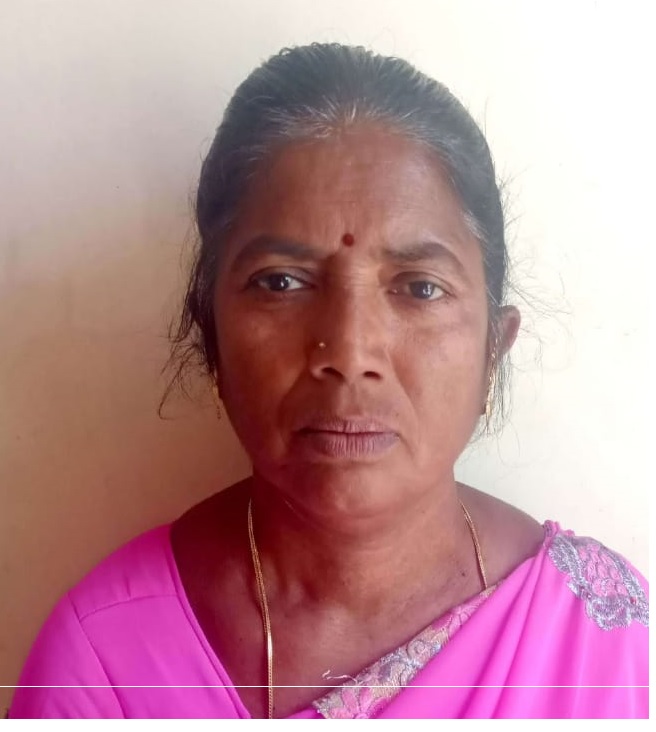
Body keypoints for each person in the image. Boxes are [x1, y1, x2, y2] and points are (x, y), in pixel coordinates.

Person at [9, 43, 648, 719]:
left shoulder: (597, 640)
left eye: (419, 287)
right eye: (282, 282)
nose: (347, 351)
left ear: (495, 347)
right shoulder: (105, 662)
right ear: (211, 335)